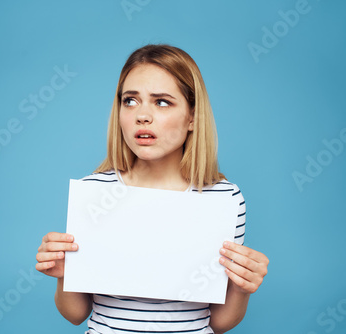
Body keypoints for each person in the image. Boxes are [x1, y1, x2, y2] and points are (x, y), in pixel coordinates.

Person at [36, 44, 269, 334]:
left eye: (161, 102)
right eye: (130, 101)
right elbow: (75, 314)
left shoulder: (223, 199)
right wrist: (63, 274)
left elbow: (219, 323)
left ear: (193, 117)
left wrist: (242, 286)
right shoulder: (94, 191)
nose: (142, 115)